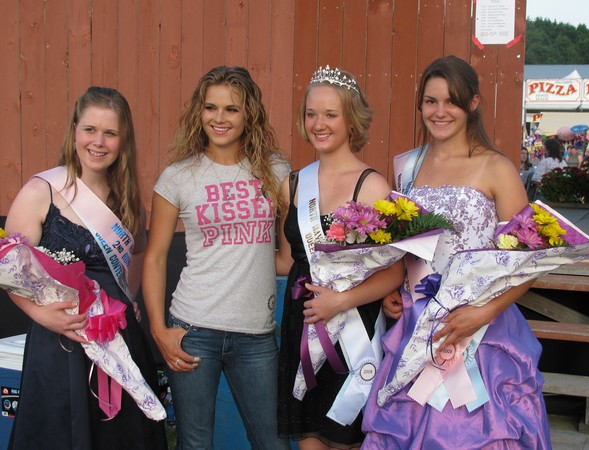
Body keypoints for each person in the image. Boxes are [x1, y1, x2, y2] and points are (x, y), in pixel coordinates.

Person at [361, 55, 551, 448]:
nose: (439, 111)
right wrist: (393, 295)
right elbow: (406, 249)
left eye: (451, 101)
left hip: (482, 328)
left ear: (474, 103)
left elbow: (532, 260)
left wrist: (483, 313)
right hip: (418, 324)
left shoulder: (496, 168)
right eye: (431, 101)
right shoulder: (409, 169)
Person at [5, 87, 168, 449]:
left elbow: (138, 251)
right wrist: (43, 316)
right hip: (60, 341)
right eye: (90, 130)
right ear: (74, 131)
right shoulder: (41, 191)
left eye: (110, 133)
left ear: (123, 140)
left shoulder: (127, 199)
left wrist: (128, 294)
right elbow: (7, 267)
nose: (99, 142)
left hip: (117, 337)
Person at [142, 66, 290, 450]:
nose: (219, 119)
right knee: (194, 443)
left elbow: (286, 257)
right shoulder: (178, 177)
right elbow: (156, 258)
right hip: (194, 330)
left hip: (257, 335)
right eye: (211, 108)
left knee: (272, 443)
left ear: (249, 114)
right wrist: (160, 331)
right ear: (199, 112)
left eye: (232, 109)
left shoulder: (275, 171)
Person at [276, 67, 404, 449]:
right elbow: (286, 261)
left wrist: (341, 301)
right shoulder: (293, 183)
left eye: (330, 115)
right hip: (302, 321)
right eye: (312, 114)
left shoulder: (373, 185)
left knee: (345, 436)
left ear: (351, 120)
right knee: (309, 437)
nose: (319, 124)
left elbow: (395, 269)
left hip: (351, 327)